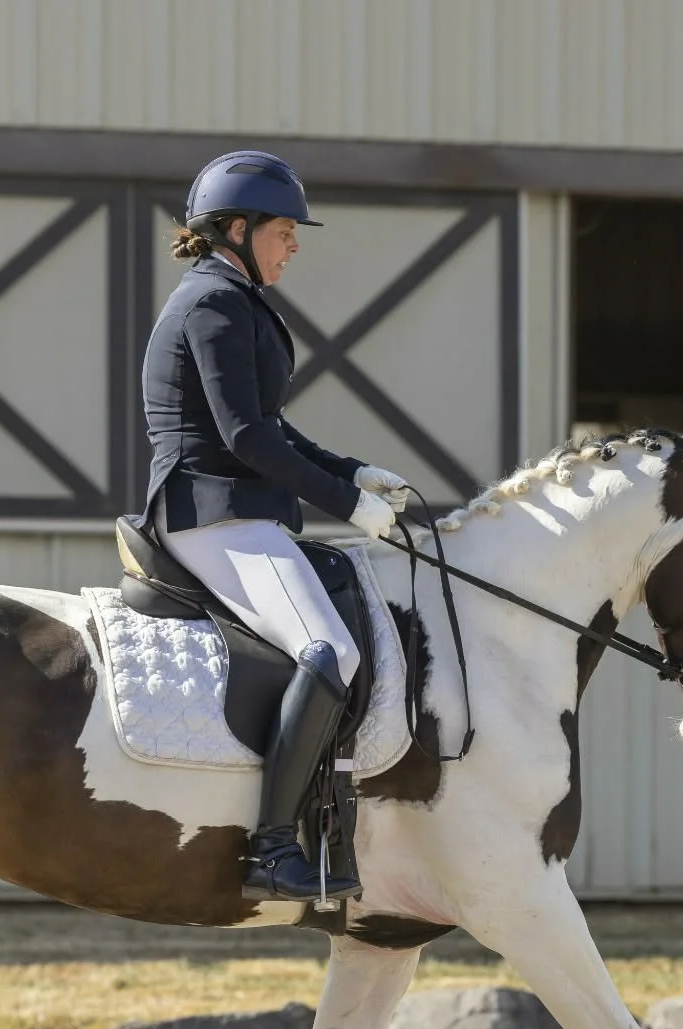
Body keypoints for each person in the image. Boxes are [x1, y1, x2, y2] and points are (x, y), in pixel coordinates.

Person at [140, 150, 412, 904]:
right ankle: (271, 847)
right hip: (211, 509)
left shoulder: (232, 298)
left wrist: (352, 471)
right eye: (284, 231)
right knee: (331, 651)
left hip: (236, 508)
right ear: (237, 228)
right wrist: (346, 505)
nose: (293, 245)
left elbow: (270, 426)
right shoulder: (213, 304)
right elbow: (246, 439)